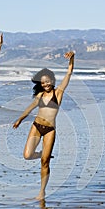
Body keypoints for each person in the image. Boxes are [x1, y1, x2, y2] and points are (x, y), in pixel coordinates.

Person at [13, 51, 75, 200]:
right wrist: (20, 119)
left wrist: (72, 58)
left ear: (52, 81)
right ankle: (42, 153)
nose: (46, 84)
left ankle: (42, 192)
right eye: (43, 82)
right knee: (27, 155)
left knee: (45, 163)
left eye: (48, 81)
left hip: (49, 130)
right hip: (36, 126)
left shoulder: (58, 93)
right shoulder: (40, 95)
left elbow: (69, 73)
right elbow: (30, 107)